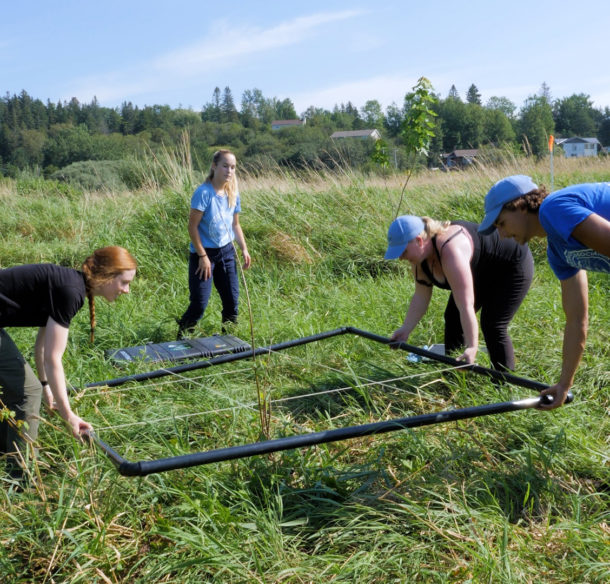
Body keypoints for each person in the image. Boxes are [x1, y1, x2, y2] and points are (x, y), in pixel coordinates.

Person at [0, 246, 137, 482]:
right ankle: (21, 478)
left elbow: (42, 348)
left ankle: (8, 458)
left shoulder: (69, 284)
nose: (127, 290)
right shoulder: (70, 291)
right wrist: (68, 415)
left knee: (27, 389)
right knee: (26, 391)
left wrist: (47, 387)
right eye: (124, 282)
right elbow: (54, 359)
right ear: (105, 276)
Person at [479, 175, 610, 409]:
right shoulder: (558, 252)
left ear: (519, 206)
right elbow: (576, 320)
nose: (502, 235)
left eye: (500, 223)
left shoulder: (554, 208)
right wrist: (564, 384)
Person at [385, 215, 534, 372]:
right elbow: (421, 297)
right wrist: (406, 329)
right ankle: (455, 375)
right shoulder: (419, 261)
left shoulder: (451, 249)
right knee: (453, 318)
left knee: (493, 324)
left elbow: (465, 305)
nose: (400, 258)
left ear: (419, 241)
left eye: (403, 251)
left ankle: (503, 382)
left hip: (510, 266)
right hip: (481, 269)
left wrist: (472, 346)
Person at [177, 149, 251, 339]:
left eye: (233, 167)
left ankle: (229, 339)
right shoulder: (204, 193)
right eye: (225, 166)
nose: (229, 171)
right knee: (199, 303)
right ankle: (183, 338)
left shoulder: (233, 192)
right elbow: (192, 227)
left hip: (227, 252)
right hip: (204, 255)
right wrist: (202, 256)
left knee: (232, 302)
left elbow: (235, 224)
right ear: (214, 166)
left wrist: (243, 248)